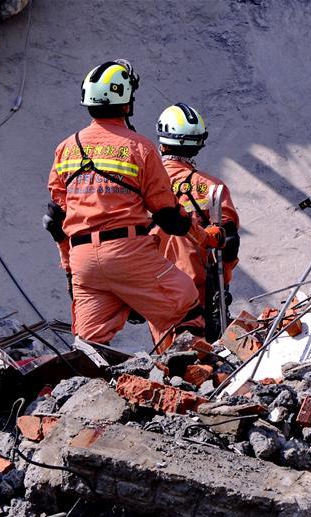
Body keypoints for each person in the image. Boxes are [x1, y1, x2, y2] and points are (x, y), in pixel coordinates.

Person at [44, 60, 204, 352]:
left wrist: (70, 268)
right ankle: (195, 379)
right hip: (127, 252)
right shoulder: (139, 148)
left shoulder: (66, 147)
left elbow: (55, 216)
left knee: (89, 344)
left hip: (84, 263)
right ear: (126, 101)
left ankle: (83, 391)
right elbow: (167, 215)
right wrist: (190, 226)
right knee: (186, 303)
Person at [155, 103, 240, 340]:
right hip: (200, 286)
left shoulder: (143, 184)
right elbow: (230, 242)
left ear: (162, 141)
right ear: (198, 143)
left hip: (153, 283)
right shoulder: (212, 188)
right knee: (202, 355)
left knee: (165, 357)